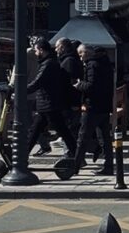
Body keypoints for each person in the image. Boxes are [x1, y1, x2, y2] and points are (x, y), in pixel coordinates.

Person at [26, 39, 77, 159]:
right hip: (47, 104)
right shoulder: (50, 62)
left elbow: (37, 82)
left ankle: (77, 155)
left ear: (42, 50)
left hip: (49, 104)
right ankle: (22, 156)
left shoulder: (48, 64)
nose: (35, 53)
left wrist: (20, 90)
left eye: (37, 50)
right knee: (35, 131)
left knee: (62, 131)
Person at [71, 43, 114, 176]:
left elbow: (91, 86)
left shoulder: (92, 65)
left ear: (87, 53)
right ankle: (108, 166)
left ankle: (75, 166)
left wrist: (79, 84)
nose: (80, 57)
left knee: (82, 137)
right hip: (104, 106)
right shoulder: (106, 64)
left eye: (81, 53)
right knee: (105, 138)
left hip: (92, 106)